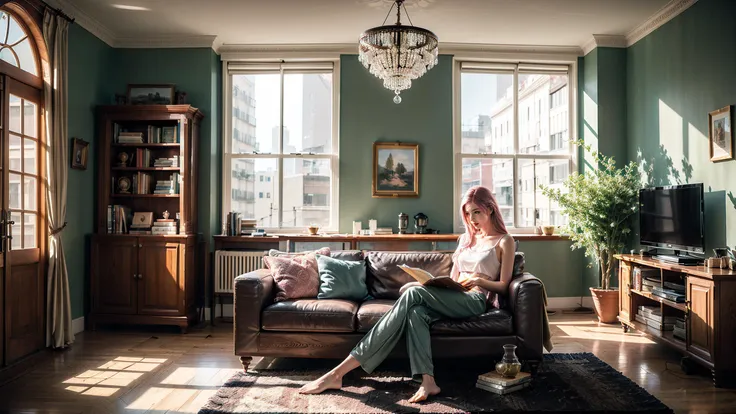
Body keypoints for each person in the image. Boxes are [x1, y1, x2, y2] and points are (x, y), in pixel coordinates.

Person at [298, 185, 516, 403]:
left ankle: (337, 373)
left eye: (476, 212)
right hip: (455, 295)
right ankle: (428, 382)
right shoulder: (465, 240)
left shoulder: (504, 241)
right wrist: (439, 285)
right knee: (416, 314)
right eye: (468, 213)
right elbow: (453, 277)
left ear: (490, 209)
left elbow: (505, 285)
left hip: (476, 299)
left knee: (412, 295)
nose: (471, 218)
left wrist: (479, 280)